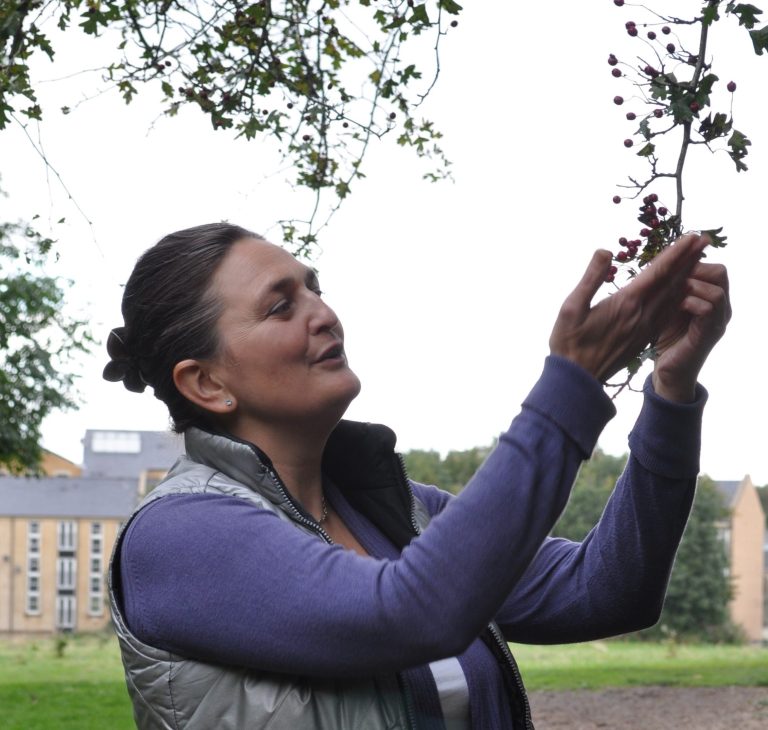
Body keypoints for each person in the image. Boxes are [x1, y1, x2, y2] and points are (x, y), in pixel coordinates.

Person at [104, 222, 730, 730]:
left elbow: (606, 589)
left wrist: (670, 394)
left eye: (314, 288)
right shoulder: (179, 536)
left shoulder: (398, 512)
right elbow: (407, 613)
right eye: (280, 306)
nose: (324, 314)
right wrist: (573, 383)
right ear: (206, 383)